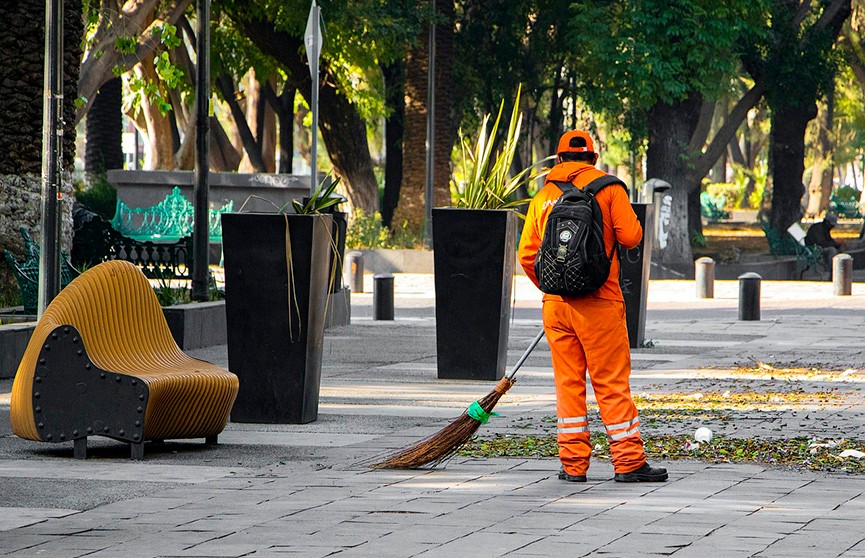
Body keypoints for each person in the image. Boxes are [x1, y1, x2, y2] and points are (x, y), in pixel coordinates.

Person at [517, 130, 668, 483]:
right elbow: (631, 237)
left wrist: (557, 286)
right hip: (600, 303)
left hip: (556, 307)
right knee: (611, 382)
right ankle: (628, 461)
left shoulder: (543, 196)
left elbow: (527, 256)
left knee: (568, 384)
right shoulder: (610, 188)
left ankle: (573, 465)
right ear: (594, 159)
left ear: (558, 160)